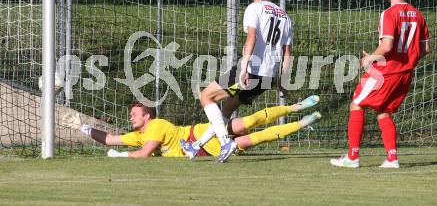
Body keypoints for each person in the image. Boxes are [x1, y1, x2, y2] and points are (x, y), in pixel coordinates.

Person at [181, 0, 294, 163]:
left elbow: (251, 38)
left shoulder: (255, 8)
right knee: (226, 109)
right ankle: (196, 146)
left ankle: (226, 143)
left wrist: (244, 69)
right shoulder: (285, 17)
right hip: (266, 78)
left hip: (250, 72)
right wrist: (282, 81)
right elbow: (287, 53)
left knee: (206, 96)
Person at [330, 0, 430, 169]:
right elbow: (425, 49)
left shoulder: (389, 13)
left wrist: (370, 58)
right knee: (383, 111)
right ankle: (392, 159)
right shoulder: (418, 15)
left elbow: (386, 46)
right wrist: (407, 61)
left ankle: (352, 157)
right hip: (405, 74)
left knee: (357, 103)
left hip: (387, 72)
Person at [66, 97, 320, 158]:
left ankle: (297, 114)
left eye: (135, 114)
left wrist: (120, 157)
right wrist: (84, 128)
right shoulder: (140, 133)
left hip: (199, 140)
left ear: (147, 116)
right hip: (201, 138)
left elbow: (144, 154)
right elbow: (111, 139)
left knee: (251, 129)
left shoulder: (156, 127)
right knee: (251, 127)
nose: (131, 118)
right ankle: (298, 114)